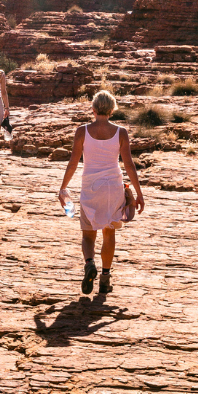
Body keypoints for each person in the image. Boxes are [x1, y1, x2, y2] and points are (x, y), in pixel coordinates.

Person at [55, 89, 145, 295]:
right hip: (114, 187)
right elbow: (129, 165)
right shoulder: (120, 132)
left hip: (91, 187)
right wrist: (139, 193)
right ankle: (105, 278)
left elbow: (73, 162)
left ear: (93, 109)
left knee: (88, 235)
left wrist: (63, 187)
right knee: (109, 232)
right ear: (112, 110)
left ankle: (89, 263)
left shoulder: (82, 131)